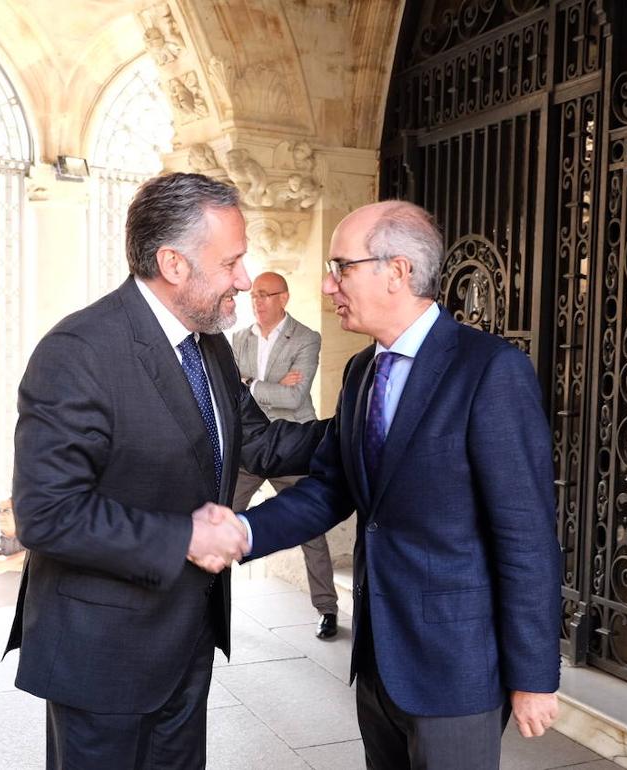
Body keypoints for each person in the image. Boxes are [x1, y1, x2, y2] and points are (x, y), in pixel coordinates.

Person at [6, 172, 326, 769]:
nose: (245, 278)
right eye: (231, 260)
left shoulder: (209, 345)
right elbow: (47, 515)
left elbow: (255, 439)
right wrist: (187, 536)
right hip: (102, 656)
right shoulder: (79, 352)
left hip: (186, 641)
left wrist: (366, 429)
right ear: (173, 264)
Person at [233, 201, 563, 769]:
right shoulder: (363, 371)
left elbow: (526, 536)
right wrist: (240, 532)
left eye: (341, 266)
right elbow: (332, 488)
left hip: (456, 671)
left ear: (398, 271)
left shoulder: (489, 370)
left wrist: (534, 676)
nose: (327, 282)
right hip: (379, 661)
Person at [231, 271, 339, 640]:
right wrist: (260, 386)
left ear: (284, 298)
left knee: (312, 528)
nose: (257, 301)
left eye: (265, 294)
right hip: (250, 446)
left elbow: (294, 398)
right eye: (254, 295)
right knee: (221, 519)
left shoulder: (307, 338)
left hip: (292, 445)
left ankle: (326, 608)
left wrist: (251, 385)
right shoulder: (239, 338)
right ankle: (202, 605)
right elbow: (232, 393)